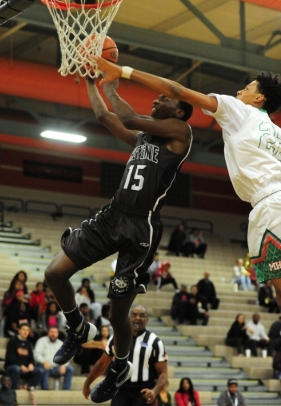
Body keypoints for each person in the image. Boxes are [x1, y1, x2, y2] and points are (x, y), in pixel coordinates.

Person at [44, 76, 193, 403]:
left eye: (163, 99)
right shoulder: (144, 138)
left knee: (116, 315)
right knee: (54, 274)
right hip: (113, 214)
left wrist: (111, 82)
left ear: (179, 113)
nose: (156, 100)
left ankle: (119, 366)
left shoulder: (181, 134)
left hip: (142, 228)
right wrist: (90, 82)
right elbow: (104, 117)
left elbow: (125, 116)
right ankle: (78, 328)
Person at [93, 60, 281, 307]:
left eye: (247, 88)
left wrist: (124, 71)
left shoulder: (239, 110)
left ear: (259, 99)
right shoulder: (276, 132)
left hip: (270, 205)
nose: (239, 92)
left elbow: (178, 92)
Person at [83, 305, 168, 406]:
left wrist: (154, 391)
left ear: (147, 319)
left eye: (142, 315)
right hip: (120, 388)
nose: (138, 318)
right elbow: (102, 364)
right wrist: (87, 383)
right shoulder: (116, 338)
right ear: (129, 318)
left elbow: (163, 373)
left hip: (143, 391)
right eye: (134, 315)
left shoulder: (155, 342)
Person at [4, 323, 43, 390]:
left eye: (27, 330)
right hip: (12, 367)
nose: (25, 332)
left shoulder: (28, 344)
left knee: (40, 371)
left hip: (25, 368)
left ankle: (31, 388)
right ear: (19, 330)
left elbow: (31, 358)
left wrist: (31, 365)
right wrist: (21, 366)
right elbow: (11, 357)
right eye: (23, 330)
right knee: (17, 369)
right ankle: (14, 389)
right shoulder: (12, 341)